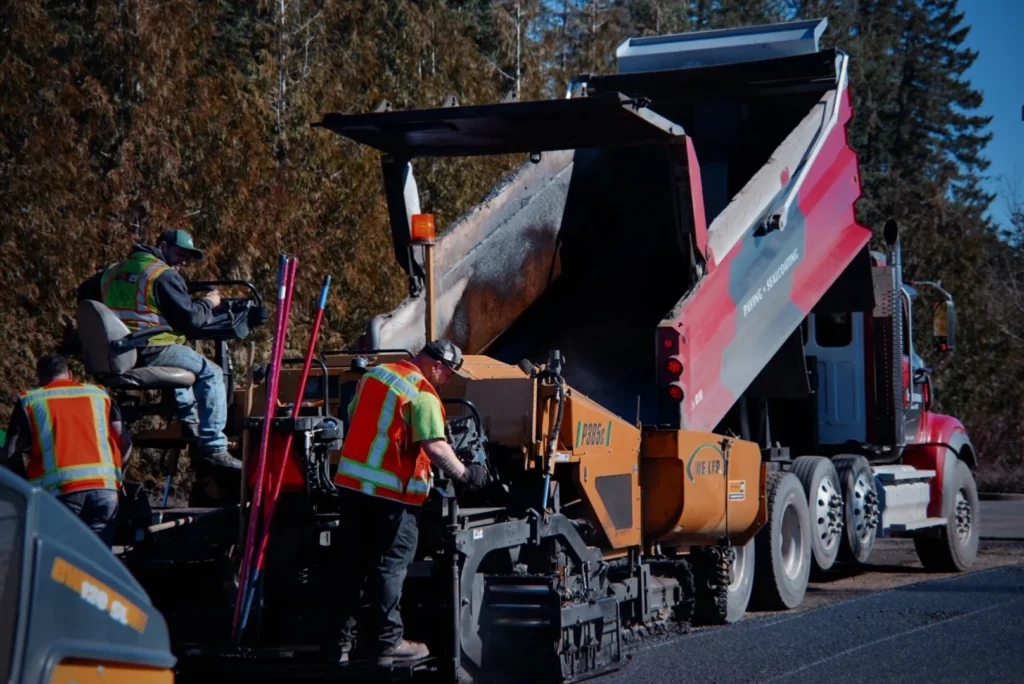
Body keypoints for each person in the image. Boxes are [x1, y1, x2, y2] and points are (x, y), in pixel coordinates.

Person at [331, 339, 490, 667]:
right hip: (391, 497)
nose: (445, 382)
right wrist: (467, 475)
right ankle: (387, 644)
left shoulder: (374, 377)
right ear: (436, 366)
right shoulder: (422, 394)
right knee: (390, 565)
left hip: (351, 487)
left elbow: (355, 418)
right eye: (447, 374)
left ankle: (339, 644)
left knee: (351, 567)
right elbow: (435, 448)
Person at [77, 229, 239, 471]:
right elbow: (191, 320)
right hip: (152, 348)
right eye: (178, 253)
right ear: (162, 246)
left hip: (120, 350)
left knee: (184, 357)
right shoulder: (162, 275)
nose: (182, 261)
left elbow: (84, 294)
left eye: (186, 257)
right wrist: (209, 302)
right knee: (211, 372)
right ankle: (214, 447)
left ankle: (190, 424)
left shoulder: (113, 272)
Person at [1, 353, 130, 547]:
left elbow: (10, 452)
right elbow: (124, 441)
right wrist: (118, 477)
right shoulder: (99, 395)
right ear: (70, 374)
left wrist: (24, 485)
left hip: (60, 493)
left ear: (40, 378)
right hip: (105, 490)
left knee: (60, 561)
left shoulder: (31, 400)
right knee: (96, 559)